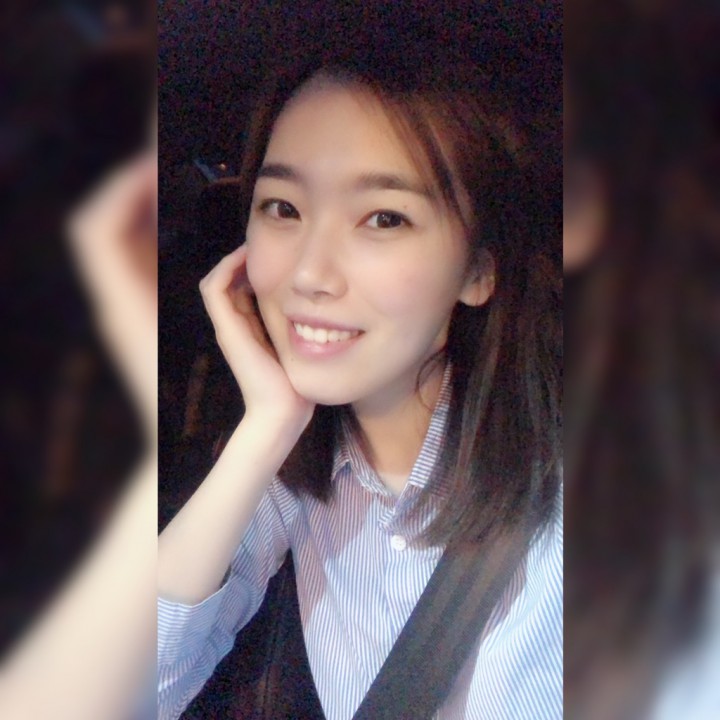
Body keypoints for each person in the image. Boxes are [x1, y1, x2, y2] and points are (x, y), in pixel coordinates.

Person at [158, 62, 562, 720]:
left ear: (479, 270)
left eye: (384, 218)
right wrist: (265, 429)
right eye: (283, 208)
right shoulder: (296, 465)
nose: (309, 274)